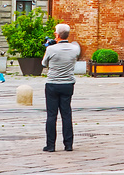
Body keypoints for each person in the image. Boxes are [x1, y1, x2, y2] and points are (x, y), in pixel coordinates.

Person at [41, 23, 80, 152]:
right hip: (68, 84)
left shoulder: (51, 49)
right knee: (66, 114)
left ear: (57, 35)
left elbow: (44, 63)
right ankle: (68, 144)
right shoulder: (75, 49)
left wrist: (50, 46)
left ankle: (51, 145)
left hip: (52, 84)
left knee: (51, 116)